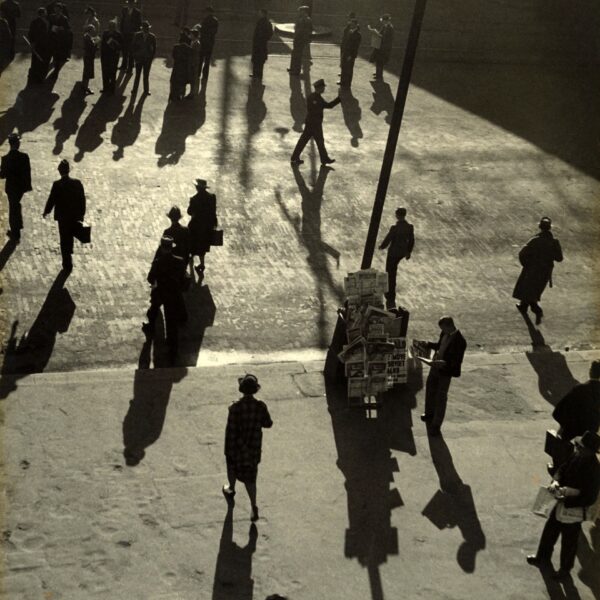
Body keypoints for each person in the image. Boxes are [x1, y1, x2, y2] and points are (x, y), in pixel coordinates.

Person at [527, 431, 600, 580]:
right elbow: (562, 468)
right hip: (561, 501)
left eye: (582, 448)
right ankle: (542, 557)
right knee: (549, 531)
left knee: (569, 542)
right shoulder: (576, 456)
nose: (578, 449)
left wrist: (567, 499)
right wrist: (556, 481)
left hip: (574, 510)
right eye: (578, 446)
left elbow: (590, 497)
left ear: (590, 451)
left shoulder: (594, 469)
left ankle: (564, 571)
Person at [222, 374, 273, 523]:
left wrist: (230, 449)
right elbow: (268, 423)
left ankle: (231, 489)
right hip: (253, 449)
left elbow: (231, 431)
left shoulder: (235, 408)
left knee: (231, 468)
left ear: (241, 390)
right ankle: (253, 506)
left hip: (236, 449)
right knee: (251, 479)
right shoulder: (260, 406)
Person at [419, 316, 467, 436]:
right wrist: (428, 344)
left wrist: (444, 364)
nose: (442, 331)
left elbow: (457, 361)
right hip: (435, 366)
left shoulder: (460, 341)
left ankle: (436, 425)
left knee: (441, 397)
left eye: (443, 328)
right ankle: (429, 413)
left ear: (450, 326)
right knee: (430, 389)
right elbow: (439, 346)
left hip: (445, 372)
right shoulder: (444, 333)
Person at [142, 236, 187, 361]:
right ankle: (173, 349)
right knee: (172, 322)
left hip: (161, 292)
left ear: (162, 248)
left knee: (154, 309)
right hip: (174, 294)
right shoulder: (180, 261)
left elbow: (150, 278)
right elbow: (183, 279)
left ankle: (150, 328)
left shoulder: (158, 262)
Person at [513, 217, 563, 325]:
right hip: (545, 272)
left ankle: (537, 310)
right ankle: (523, 306)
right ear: (550, 228)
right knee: (533, 291)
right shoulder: (554, 242)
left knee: (529, 290)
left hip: (532, 270)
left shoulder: (535, 240)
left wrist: (526, 264)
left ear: (540, 227)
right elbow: (559, 258)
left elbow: (522, 253)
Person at [43, 159, 86, 272]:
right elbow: (82, 200)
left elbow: (52, 199)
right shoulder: (77, 183)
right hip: (74, 215)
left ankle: (67, 262)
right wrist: (81, 214)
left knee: (64, 238)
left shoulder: (57, 185)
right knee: (71, 235)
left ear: (59, 171)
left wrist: (47, 211)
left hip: (62, 217)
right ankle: (69, 253)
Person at [290, 78, 340, 166]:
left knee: (305, 141)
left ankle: (295, 157)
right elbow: (329, 105)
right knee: (318, 142)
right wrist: (339, 99)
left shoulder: (313, 96)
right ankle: (324, 159)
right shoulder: (317, 99)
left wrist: (338, 99)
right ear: (319, 88)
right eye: (323, 87)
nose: (324, 89)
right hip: (314, 124)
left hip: (311, 123)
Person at [553, 360, 600, 442]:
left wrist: (563, 426)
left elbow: (559, 410)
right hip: (590, 434)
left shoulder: (579, 389)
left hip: (572, 430)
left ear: (590, 372)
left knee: (561, 447)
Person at [379, 207, 414, 307]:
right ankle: (390, 294)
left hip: (393, 253)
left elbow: (388, 238)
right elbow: (411, 241)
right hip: (402, 253)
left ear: (397, 215)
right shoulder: (410, 227)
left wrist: (382, 246)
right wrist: (408, 252)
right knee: (393, 272)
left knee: (390, 273)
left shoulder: (394, 228)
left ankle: (390, 295)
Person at [0, 133, 32, 243]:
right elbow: (27, 173)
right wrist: (27, 186)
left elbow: (2, 175)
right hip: (20, 188)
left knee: (13, 208)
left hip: (11, 188)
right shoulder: (24, 157)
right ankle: (17, 229)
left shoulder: (5, 159)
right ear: (17, 144)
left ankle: (15, 231)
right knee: (15, 206)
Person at [187, 178, 217, 275]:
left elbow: (189, 212)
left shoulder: (194, 199)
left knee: (193, 241)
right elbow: (213, 212)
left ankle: (191, 255)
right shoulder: (212, 197)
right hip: (207, 225)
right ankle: (202, 263)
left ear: (197, 188)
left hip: (196, 225)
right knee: (203, 245)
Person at [130, 20, 155, 96]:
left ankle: (146, 90)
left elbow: (154, 49)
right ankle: (135, 90)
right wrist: (135, 57)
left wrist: (151, 58)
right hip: (139, 58)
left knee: (146, 75)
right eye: (145, 28)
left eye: (147, 28)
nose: (146, 29)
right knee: (137, 75)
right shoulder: (137, 35)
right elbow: (133, 47)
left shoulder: (152, 37)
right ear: (142, 28)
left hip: (147, 59)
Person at [27, 7, 51, 83]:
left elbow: (30, 33)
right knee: (38, 61)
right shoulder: (39, 22)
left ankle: (35, 77)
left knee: (37, 61)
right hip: (40, 44)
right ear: (42, 14)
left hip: (41, 44)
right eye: (45, 12)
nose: (46, 13)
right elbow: (32, 33)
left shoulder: (38, 22)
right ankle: (38, 77)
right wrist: (33, 42)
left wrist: (32, 42)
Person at [47, 2, 71, 77]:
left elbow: (68, 28)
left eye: (58, 9)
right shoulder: (51, 17)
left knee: (57, 57)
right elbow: (48, 26)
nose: (56, 11)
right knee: (50, 55)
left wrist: (61, 28)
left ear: (61, 10)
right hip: (52, 39)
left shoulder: (64, 18)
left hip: (60, 40)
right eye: (55, 9)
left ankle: (55, 73)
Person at [287, 5, 312, 76]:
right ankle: (292, 68)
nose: (299, 12)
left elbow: (308, 30)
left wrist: (305, 38)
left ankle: (296, 71)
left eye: (301, 11)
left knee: (298, 55)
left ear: (305, 12)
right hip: (297, 39)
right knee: (294, 53)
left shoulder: (307, 20)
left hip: (301, 40)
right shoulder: (301, 19)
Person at [368, 14, 393, 81]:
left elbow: (385, 38)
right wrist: (376, 33)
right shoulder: (385, 27)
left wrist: (377, 34)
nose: (382, 22)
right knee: (378, 60)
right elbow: (380, 34)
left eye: (383, 20)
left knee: (380, 61)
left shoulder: (390, 28)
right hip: (380, 46)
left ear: (386, 20)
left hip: (384, 47)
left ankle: (379, 75)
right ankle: (378, 73)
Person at [100, 20, 122, 94]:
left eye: (113, 27)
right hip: (105, 56)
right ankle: (105, 88)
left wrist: (115, 44)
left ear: (115, 27)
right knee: (105, 73)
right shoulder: (105, 33)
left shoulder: (118, 35)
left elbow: (121, 46)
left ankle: (112, 90)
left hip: (113, 57)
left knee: (112, 74)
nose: (111, 28)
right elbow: (102, 44)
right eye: (110, 26)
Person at [338, 18, 361, 89]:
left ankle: (347, 84)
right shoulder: (349, 31)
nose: (351, 25)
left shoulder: (358, 34)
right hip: (345, 53)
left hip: (350, 55)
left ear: (356, 25)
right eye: (350, 24)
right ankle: (342, 82)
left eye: (352, 24)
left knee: (349, 70)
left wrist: (351, 55)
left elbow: (355, 47)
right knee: (344, 68)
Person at [119, 0, 141, 72]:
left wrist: (136, 33)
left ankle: (130, 67)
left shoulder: (137, 12)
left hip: (132, 34)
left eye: (132, 3)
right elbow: (122, 21)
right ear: (128, 3)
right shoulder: (124, 10)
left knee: (131, 51)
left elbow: (139, 24)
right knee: (124, 50)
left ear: (134, 4)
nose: (130, 4)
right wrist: (121, 31)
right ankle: (124, 65)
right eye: (129, 3)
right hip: (125, 33)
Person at [251, 9, 273, 81]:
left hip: (260, 44)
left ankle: (257, 75)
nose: (259, 14)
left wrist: (263, 38)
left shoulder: (264, 22)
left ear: (263, 14)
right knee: (258, 60)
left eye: (260, 13)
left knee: (258, 60)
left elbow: (269, 33)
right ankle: (256, 75)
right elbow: (270, 34)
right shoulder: (266, 22)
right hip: (261, 44)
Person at [198, 6, 218, 81]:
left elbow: (202, 30)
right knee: (207, 60)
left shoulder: (205, 20)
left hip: (203, 42)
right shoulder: (215, 21)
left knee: (200, 59)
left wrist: (200, 29)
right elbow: (214, 32)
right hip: (210, 43)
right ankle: (205, 75)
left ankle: (198, 73)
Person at [169, 33, 191, 101]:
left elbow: (173, 56)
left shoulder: (176, 47)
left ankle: (173, 95)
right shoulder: (189, 49)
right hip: (184, 68)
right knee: (182, 82)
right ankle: (181, 95)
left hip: (177, 67)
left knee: (174, 81)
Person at [81, 24, 98, 95]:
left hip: (87, 55)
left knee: (86, 70)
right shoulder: (88, 37)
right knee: (88, 71)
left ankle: (84, 85)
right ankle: (86, 87)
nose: (94, 31)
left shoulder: (87, 36)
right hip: (89, 56)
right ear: (90, 30)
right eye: (93, 29)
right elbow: (91, 47)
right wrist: (96, 44)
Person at [187, 25, 201, 96]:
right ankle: (191, 92)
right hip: (192, 62)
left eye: (191, 34)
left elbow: (194, 54)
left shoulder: (196, 43)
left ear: (194, 36)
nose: (190, 35)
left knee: (193, 79)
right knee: (191, 78)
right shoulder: (193, 42)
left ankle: (192, 93)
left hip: (194, 63)